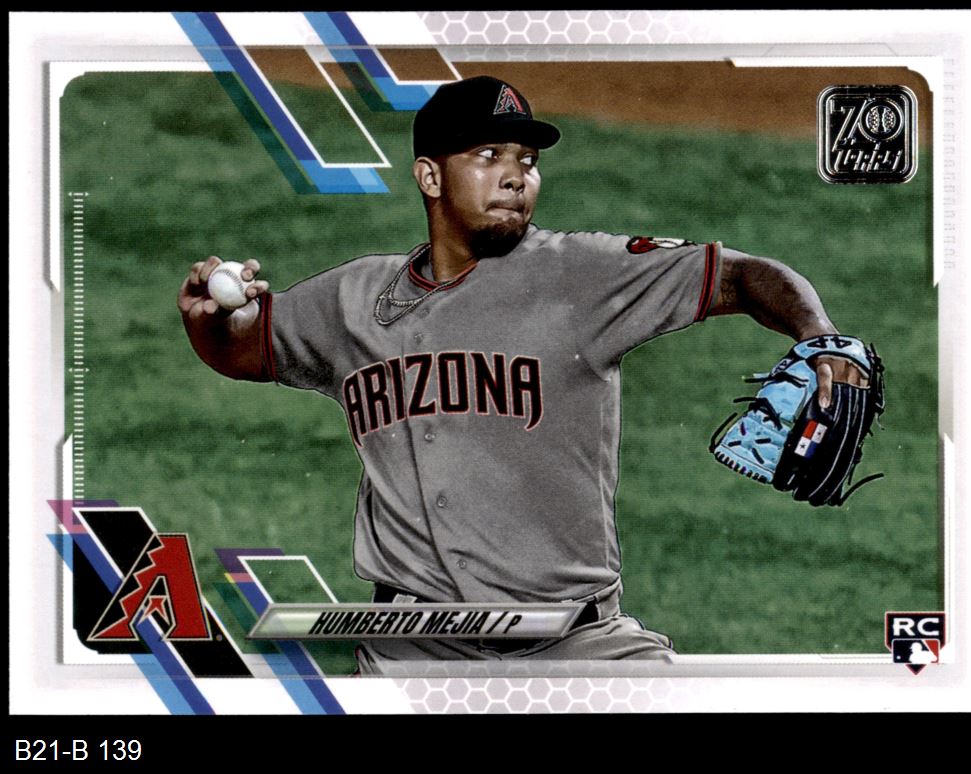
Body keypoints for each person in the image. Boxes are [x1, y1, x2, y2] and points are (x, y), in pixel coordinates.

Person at [178, 76, 868, 674]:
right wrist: (209, 318)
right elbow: (242, 350)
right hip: (415, 649)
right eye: (489, 157)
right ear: (430, 177)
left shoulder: (582, 273)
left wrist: (819, 336)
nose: (516, 176)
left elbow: (742, 275)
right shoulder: (350, 301)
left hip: (577, 642)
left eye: (527, 161)